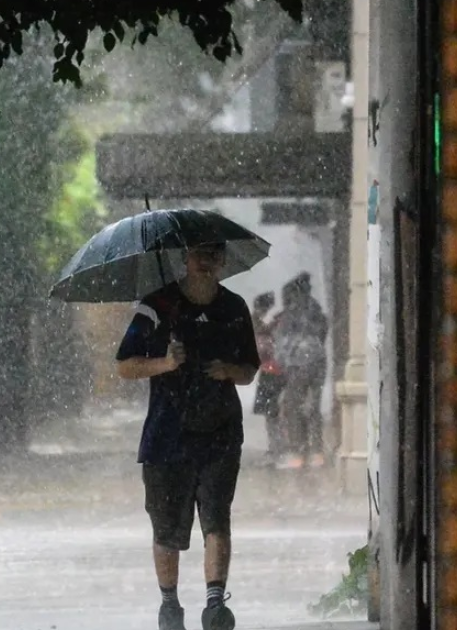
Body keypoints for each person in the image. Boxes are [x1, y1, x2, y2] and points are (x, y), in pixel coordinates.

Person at [115, 242, 261, 630]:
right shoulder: (156, 307)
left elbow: (249, 369)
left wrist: (228, 369)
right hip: (167, 436)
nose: (206, 261)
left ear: (224, 259)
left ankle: (215, 605)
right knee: (166, 527)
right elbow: (125, 365)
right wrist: (165, 362)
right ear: (185, 257)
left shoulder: (234, 309)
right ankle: (170, 605)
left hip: (220, 433)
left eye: (214, 254)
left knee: (217, 519)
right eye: (199, 253)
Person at [271, 272, 329, 469]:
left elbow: (282, 342)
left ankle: (299, 451)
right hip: (318, 361)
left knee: (294, 407)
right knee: (314, 407)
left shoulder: (291, 313)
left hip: (298, 363)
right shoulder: (317, 311)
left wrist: (282, 362)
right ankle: (317, 451)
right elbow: (322, 335)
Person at [250, 292, 287, 464]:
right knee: (273, 412)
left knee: (273, 413)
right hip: (273, 371)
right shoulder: (259, 324)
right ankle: (276, 447)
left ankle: (277, 447)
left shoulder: (261, 324)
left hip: (272, 372)